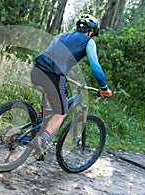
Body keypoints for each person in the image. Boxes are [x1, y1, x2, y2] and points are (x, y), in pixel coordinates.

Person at [30, 14, 112, 160]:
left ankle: (36, 128)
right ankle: (41, 140)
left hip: (37, 70)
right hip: (54, 75)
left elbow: (53, 56)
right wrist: (104, 88)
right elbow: (95, 66)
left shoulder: (62, 35)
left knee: (50, 103)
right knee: (61, 112)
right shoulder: (89, 41)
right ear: (91, 31)